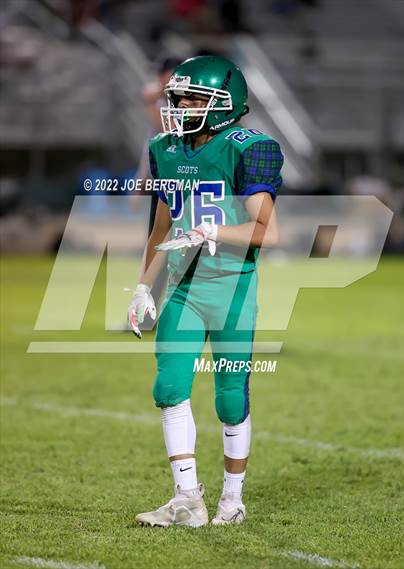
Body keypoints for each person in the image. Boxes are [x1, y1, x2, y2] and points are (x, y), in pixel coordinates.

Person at [128, 55, 283, 527]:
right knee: (169, 387)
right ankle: (187, 500)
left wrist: (213, 232)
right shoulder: (165, 149)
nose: (180, 107)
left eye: (194, 99)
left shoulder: (248, 148)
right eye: (178, 98)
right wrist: (143, 286)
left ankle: (232, 501)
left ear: (224, 105)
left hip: (232, 287)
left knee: (230, 399)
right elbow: (161, 228)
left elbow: (269, 232)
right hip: (183, 288)